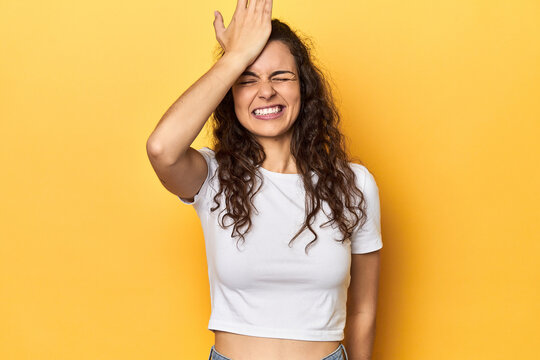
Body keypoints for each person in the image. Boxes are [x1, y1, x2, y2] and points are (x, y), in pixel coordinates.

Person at [146, 0, 382, 359]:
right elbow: (161, 148)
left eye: (281, 76)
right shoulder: (214, 178)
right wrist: (233, 57)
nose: (266, 91)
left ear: (303, 86)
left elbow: (363, 312)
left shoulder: (355, 185)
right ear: (230, 93)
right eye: (247, 79)